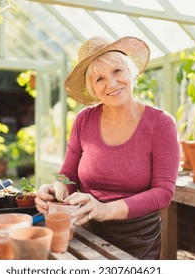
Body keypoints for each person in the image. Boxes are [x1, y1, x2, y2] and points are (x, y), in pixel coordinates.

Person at [35, 36, 180, 260]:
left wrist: (104, 210)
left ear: (132, 73)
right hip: (84, 230)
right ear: (92, 88)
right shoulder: (84, 120)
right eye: (99, 78)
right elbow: (68, 175)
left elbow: (163, 193)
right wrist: (56, 189)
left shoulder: (160, 124)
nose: (110, 83)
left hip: (137, 238)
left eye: (117, 71)